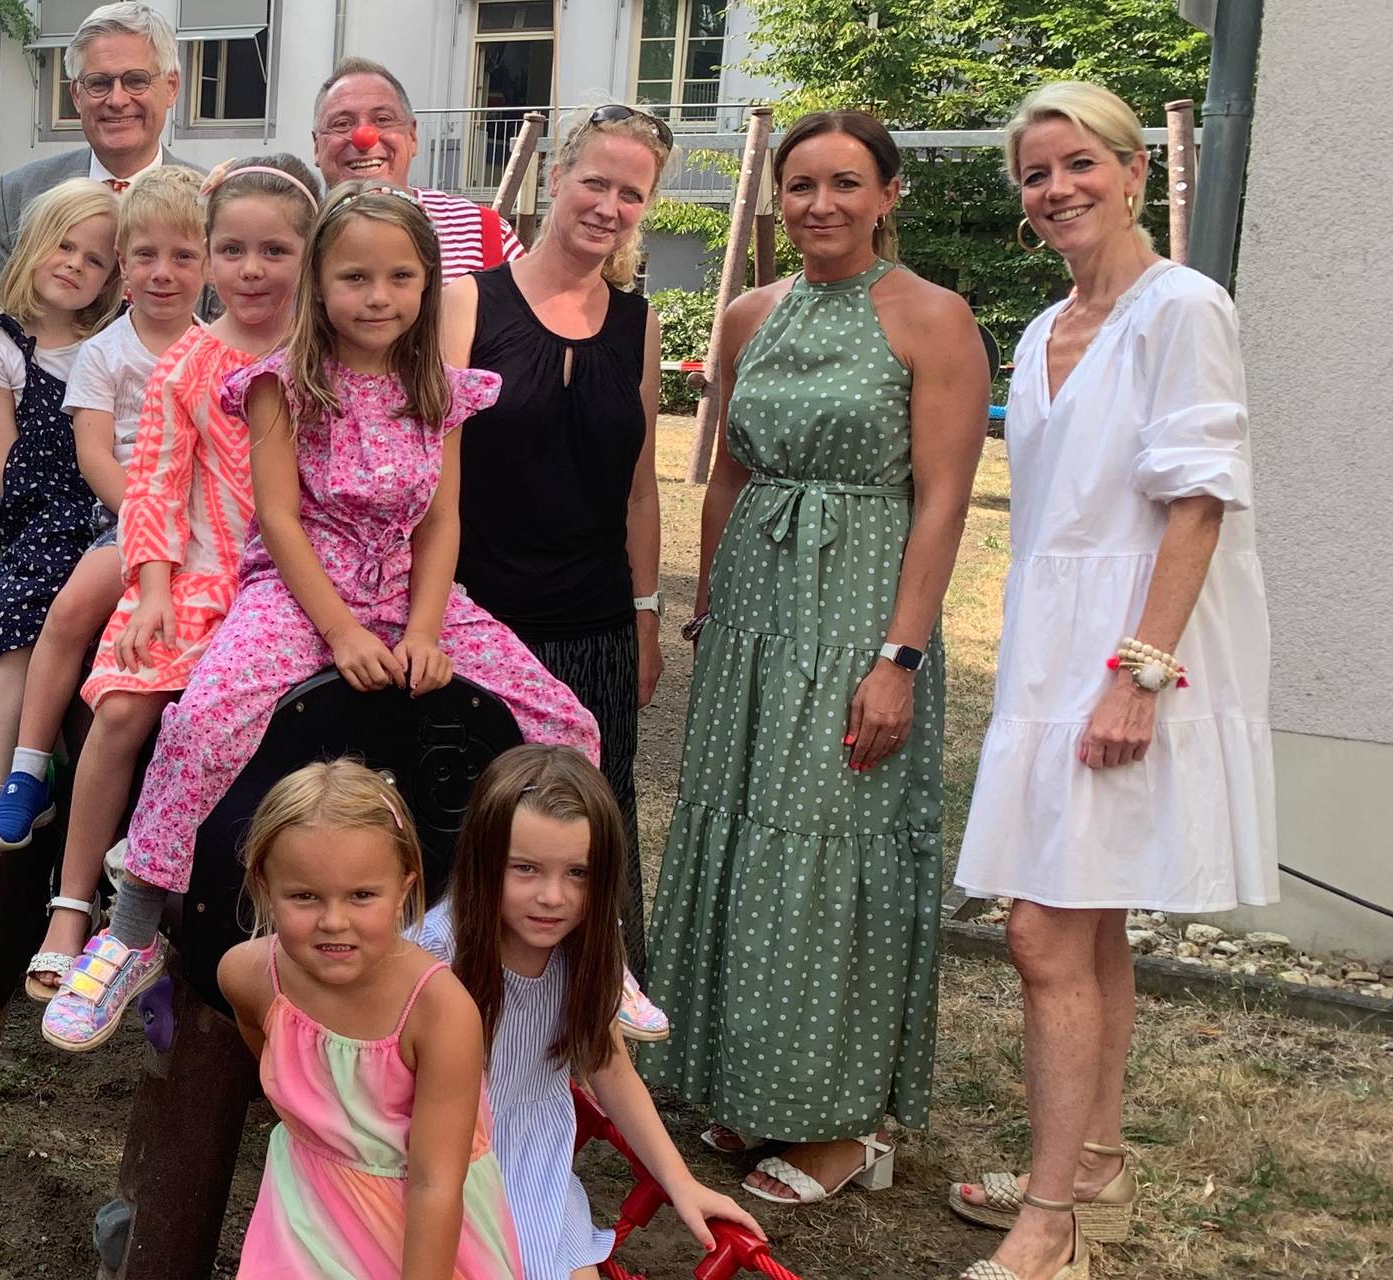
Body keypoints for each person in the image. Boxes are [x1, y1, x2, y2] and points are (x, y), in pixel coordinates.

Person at [45, 180, 601, 1051]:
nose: (378, 298)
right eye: (354, 278)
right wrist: (341, 630)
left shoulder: (441, 389)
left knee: (567, 724)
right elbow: (277, 518)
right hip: (303, 588)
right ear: (320, 284)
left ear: (427, 284)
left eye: (399, 278)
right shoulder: (283, 383)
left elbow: (442, 521)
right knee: (203, 721)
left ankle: (568, 933)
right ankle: (132, 929)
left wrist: (424, 630)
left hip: (408, 590)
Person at [944, 81, 1271, 1280]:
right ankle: (1090, 1164)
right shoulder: (1042, 326)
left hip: (1133, 653)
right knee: (1086, 921)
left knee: (1039, 930)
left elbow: (1197, 500)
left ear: (1132, 171)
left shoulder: (1180, 307)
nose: (1055, 188)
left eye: (1077, 162)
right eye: (1034, 173)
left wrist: (1139, 672)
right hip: (1050, 654)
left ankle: (1048, 1225)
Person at [645, 110, 988, 1203]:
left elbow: (942, 502)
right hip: (751, 615)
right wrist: (709, 610)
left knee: (830, 845)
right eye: (800, 185)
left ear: (887, 195)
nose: (820, 204)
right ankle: (754, 1089)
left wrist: (899, 657)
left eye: (845, 183)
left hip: (855, 614)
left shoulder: (931, 318)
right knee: (744, 839)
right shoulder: (749, 313)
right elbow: (729, 475)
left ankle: (842, 1126)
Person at [27, 156, 320, 1047]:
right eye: (233, 251)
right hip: (200, 569)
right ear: (214, 260)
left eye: (276, 251)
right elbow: (153, 482)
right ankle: (76, 905)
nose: (252, 270)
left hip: (303, 580)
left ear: (308, 254)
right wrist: (152, 584)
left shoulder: (322, 351)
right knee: (124, 707)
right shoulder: (187, 364)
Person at [0, 165, 204, 995]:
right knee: (65, 613)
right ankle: (24, 773)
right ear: (127, 268)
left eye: (183, 256)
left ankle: (154, 877)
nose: (162, 272)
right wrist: (150, 522)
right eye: (144, 257)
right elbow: (94, 454)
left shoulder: (215, 348)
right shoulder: (105, 352)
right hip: (127, 519)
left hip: (207, 537)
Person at [439, 104, 670, 976]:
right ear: (554, 178)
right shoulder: (467, 302)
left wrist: (644, 615)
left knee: (587, 839)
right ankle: (460, 1026)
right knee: (478, 835)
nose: (609, 206)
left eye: (631, 194)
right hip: (481, 625)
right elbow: (436, 474)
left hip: (595, 627)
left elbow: (639, 486)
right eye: (595, 182)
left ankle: (594, 1023)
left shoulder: (639, 324)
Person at [0, 1, 180, 814]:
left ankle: (99, 883)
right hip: (25, 509)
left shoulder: (205, 201)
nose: (117, 98)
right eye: (97, 83)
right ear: (74, 95)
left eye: (135, 79)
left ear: (171, 87)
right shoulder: (22, 191)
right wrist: (34, 421)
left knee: (126, 726)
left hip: (153, 521)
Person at [414, 745, 761, 1279]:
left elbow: (609, 1067)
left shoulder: (586, 947)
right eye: (525, 869)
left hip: (537, 1163)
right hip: (435, 1165)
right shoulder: (435, 955)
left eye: (578, 872)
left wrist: (681, 1181)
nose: (553, 897)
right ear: (483, 861)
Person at [215, 759, 527, 1279]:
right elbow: (266, 1051)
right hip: (305, 1212)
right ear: (265, 887)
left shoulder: (439, 1012)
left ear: (403, 890)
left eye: (361, 895)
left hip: (422, 1231)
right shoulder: (248, 976)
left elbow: (435, 1183)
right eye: (305, 896)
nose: (334, 921)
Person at [0, 180, 123, 881]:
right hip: (46, 513)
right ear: (33, 245)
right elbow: (10, 455)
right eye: (63, 246)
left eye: (95, 259)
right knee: (7, 611)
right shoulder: (1, 345)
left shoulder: (116, 341)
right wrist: (34, 533)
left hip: (114, 511)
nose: (75, 264)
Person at [310, 57, 522, 279]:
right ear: (317, 146)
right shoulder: (295, 238)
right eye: (342, 124)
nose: (364, 138)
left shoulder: (484, 233)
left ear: (412, 137)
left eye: (382, 119)